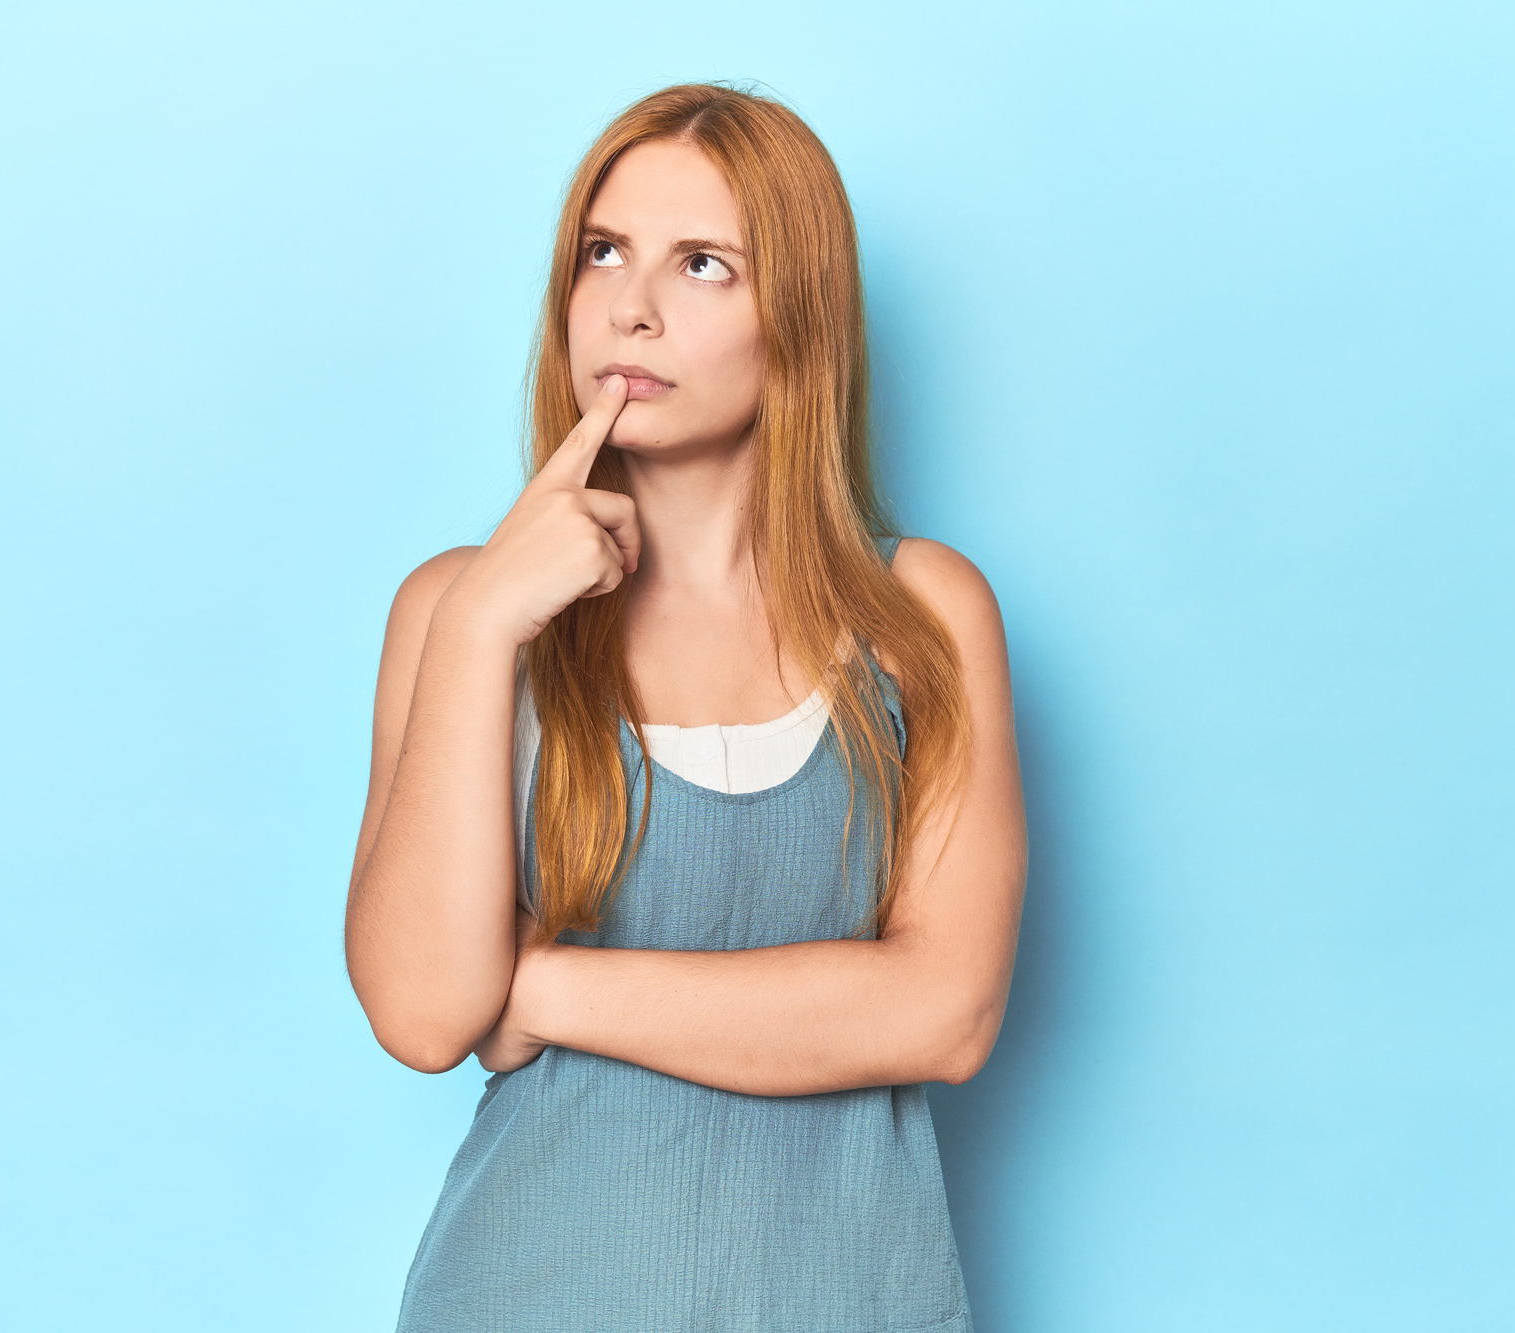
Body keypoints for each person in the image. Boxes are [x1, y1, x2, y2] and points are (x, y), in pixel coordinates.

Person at [344, 83, 1028, 1331]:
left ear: (800, 321)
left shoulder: (918, 616)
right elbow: (423, 1009)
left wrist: (541, 991)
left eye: (702, 264)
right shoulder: (458, 609)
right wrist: (490, 618)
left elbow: (944, 1011)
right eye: (602, 252)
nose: (632, 305)